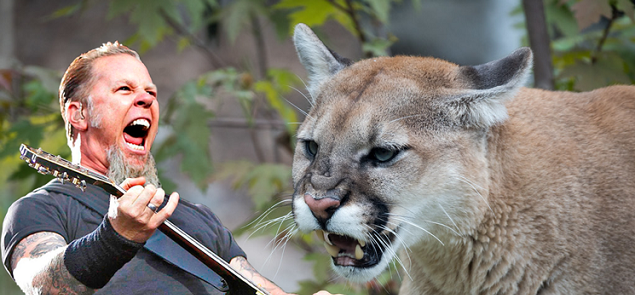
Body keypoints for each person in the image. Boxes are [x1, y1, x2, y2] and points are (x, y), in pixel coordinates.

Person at [1, 42, 334, 295]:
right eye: (124, 89)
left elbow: (255, 286)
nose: (146, 99)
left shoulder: (199, 218)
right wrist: (114, 239)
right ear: (79, 114)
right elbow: (41, 284)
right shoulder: (41, 209)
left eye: (151, 92)